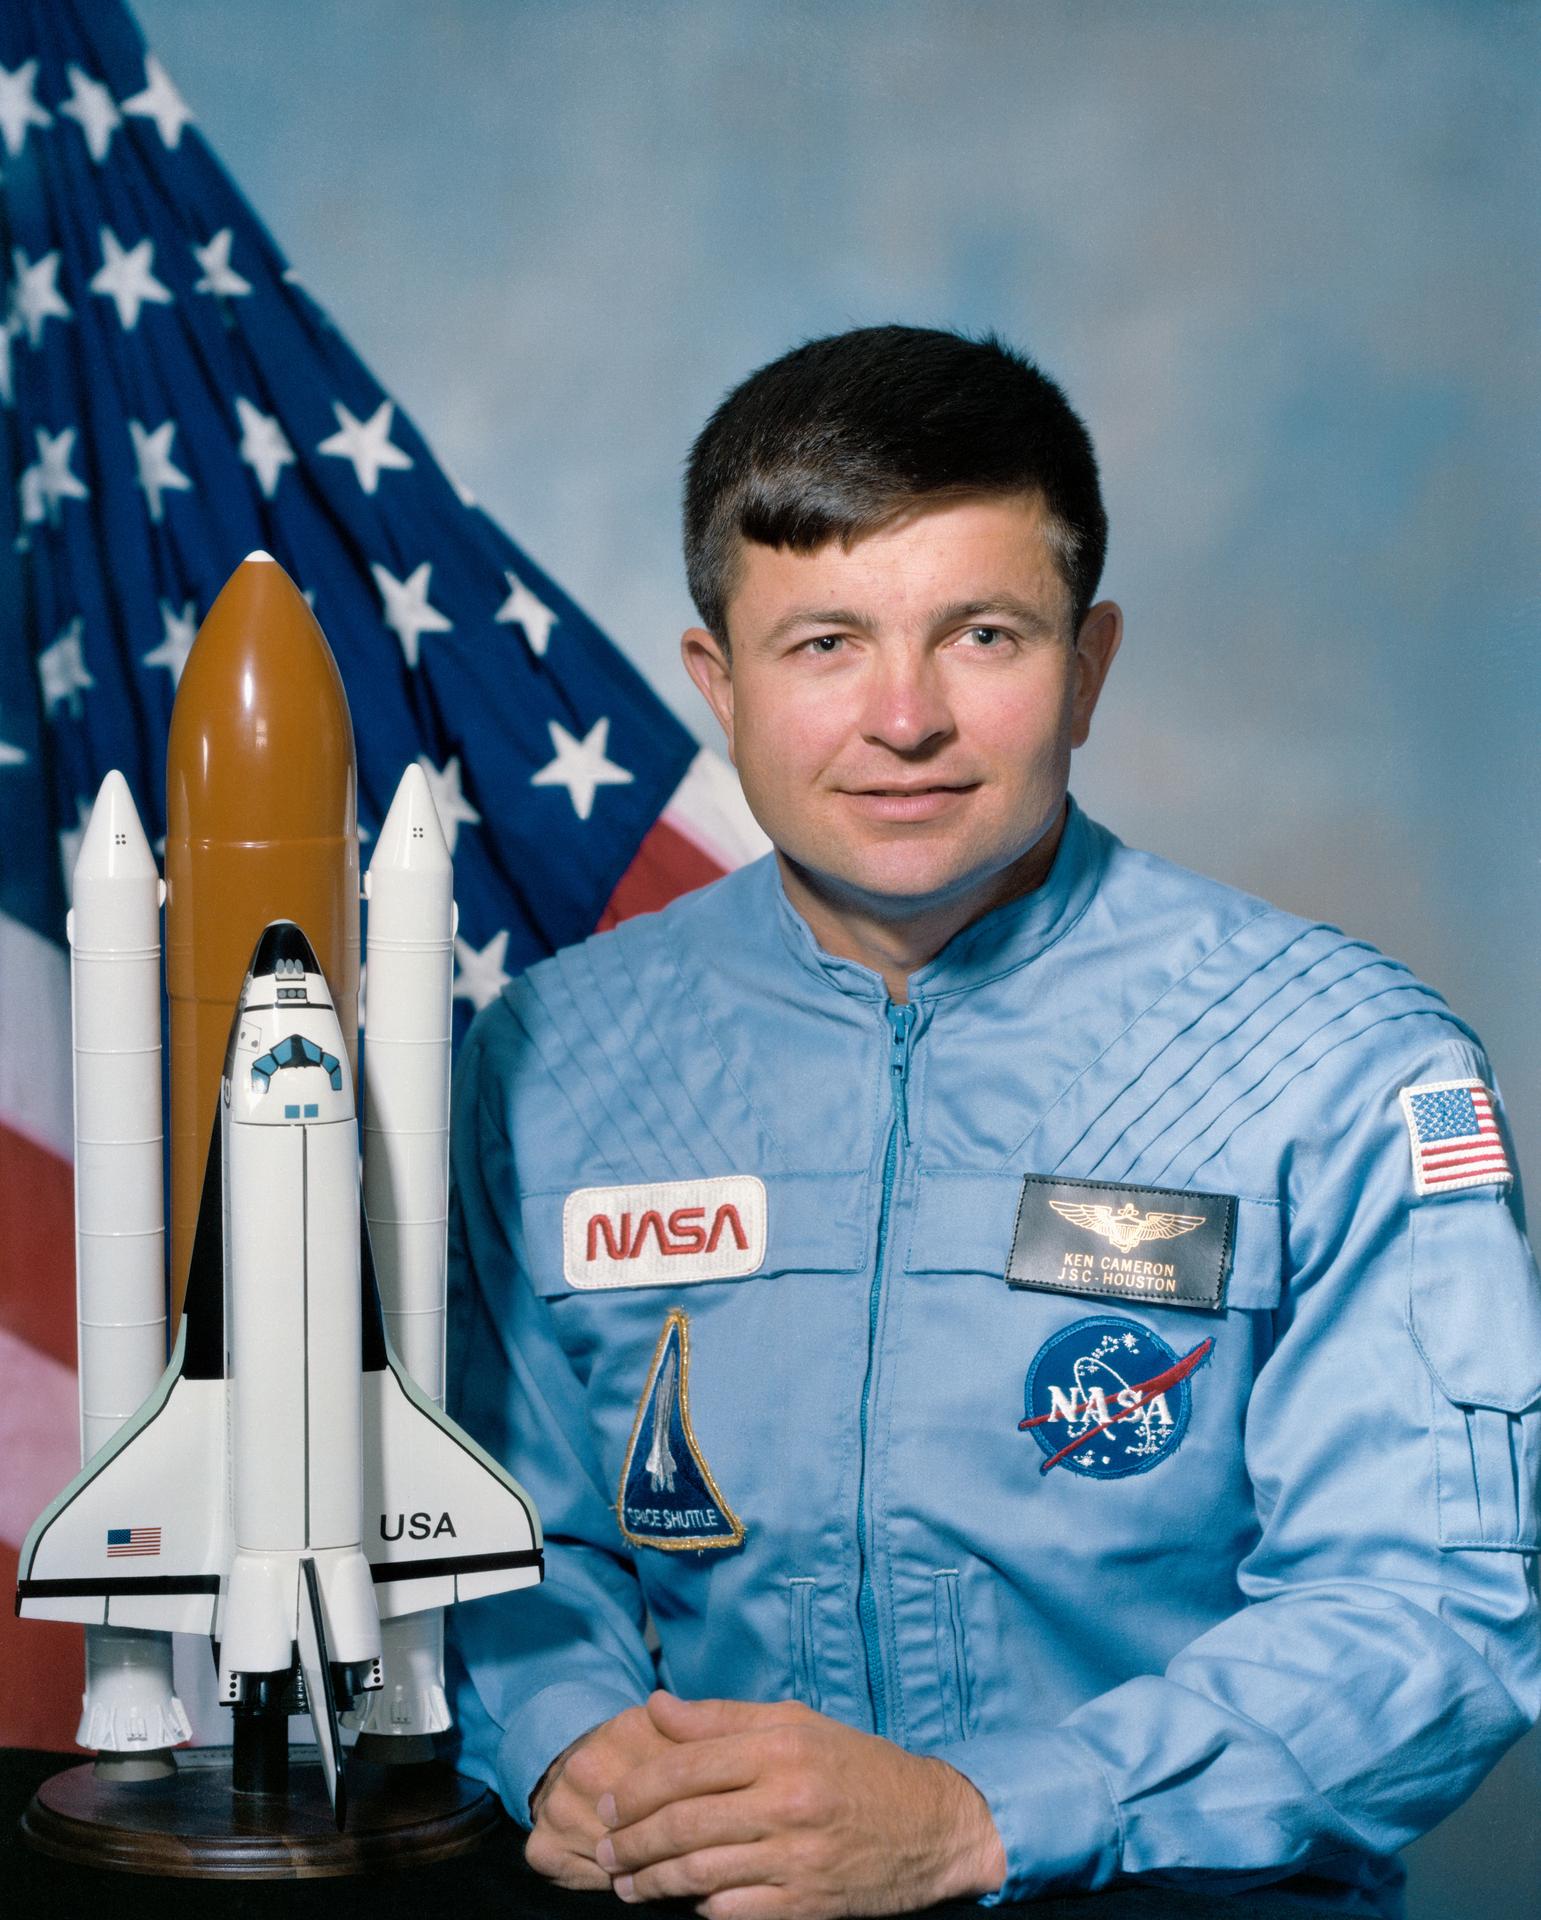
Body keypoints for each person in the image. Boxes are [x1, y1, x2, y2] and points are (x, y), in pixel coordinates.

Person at [444, 326, 1541, 1917]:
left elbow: (1427, 1607)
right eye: (822, 643)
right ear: (717, 681)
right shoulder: (555, 1057)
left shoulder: (1336, 1066)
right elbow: (510, 1543)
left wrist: (981, 1820)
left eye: (980, 636)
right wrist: (568, 1745)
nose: (903, 719)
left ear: (1086, 667)